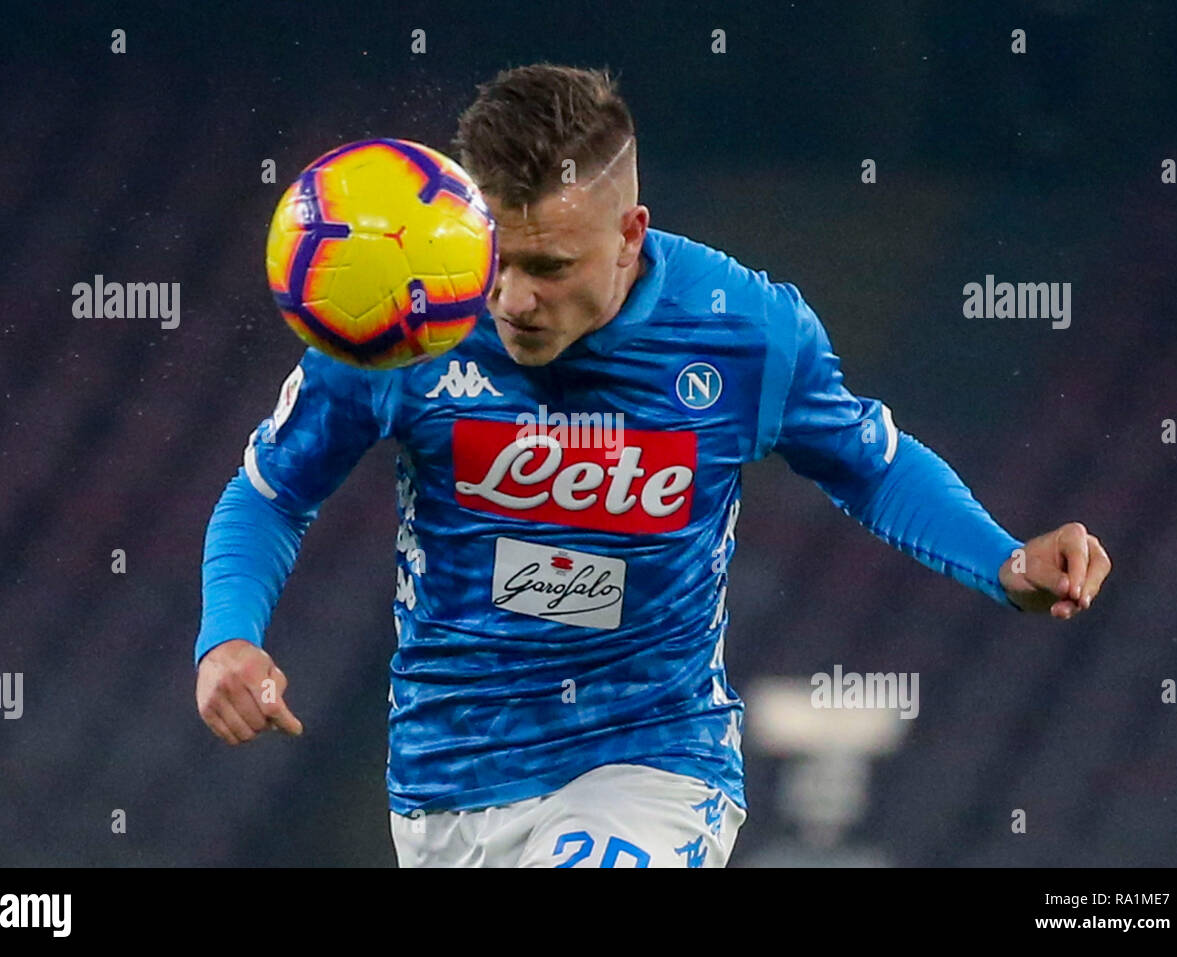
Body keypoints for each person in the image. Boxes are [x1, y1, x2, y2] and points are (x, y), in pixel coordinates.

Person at [194, 63, 1111, 868]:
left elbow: (869, 464)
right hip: (444, 778)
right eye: (497, 262)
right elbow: (270, 496)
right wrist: (228, 636)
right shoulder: (411, 322)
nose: (514, 300)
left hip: (648, 759)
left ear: (630, 232)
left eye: (550, 265)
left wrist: (1001, 560)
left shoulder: (742, 332)